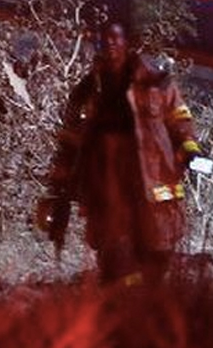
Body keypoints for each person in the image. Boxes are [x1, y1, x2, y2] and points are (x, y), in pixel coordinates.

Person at [40, 21, 202, 285]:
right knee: (115, 248)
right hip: (106, 176)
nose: (111, 44)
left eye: (116, 38)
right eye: (105, 40)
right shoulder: (88, 90)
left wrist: (190, 150)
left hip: (151, 173)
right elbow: (70, 140)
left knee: (155, 244)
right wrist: (59, 187)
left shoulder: (155, 82)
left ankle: (150, 297)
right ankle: (121, 301)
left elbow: (179, 119)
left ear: (128, 42)